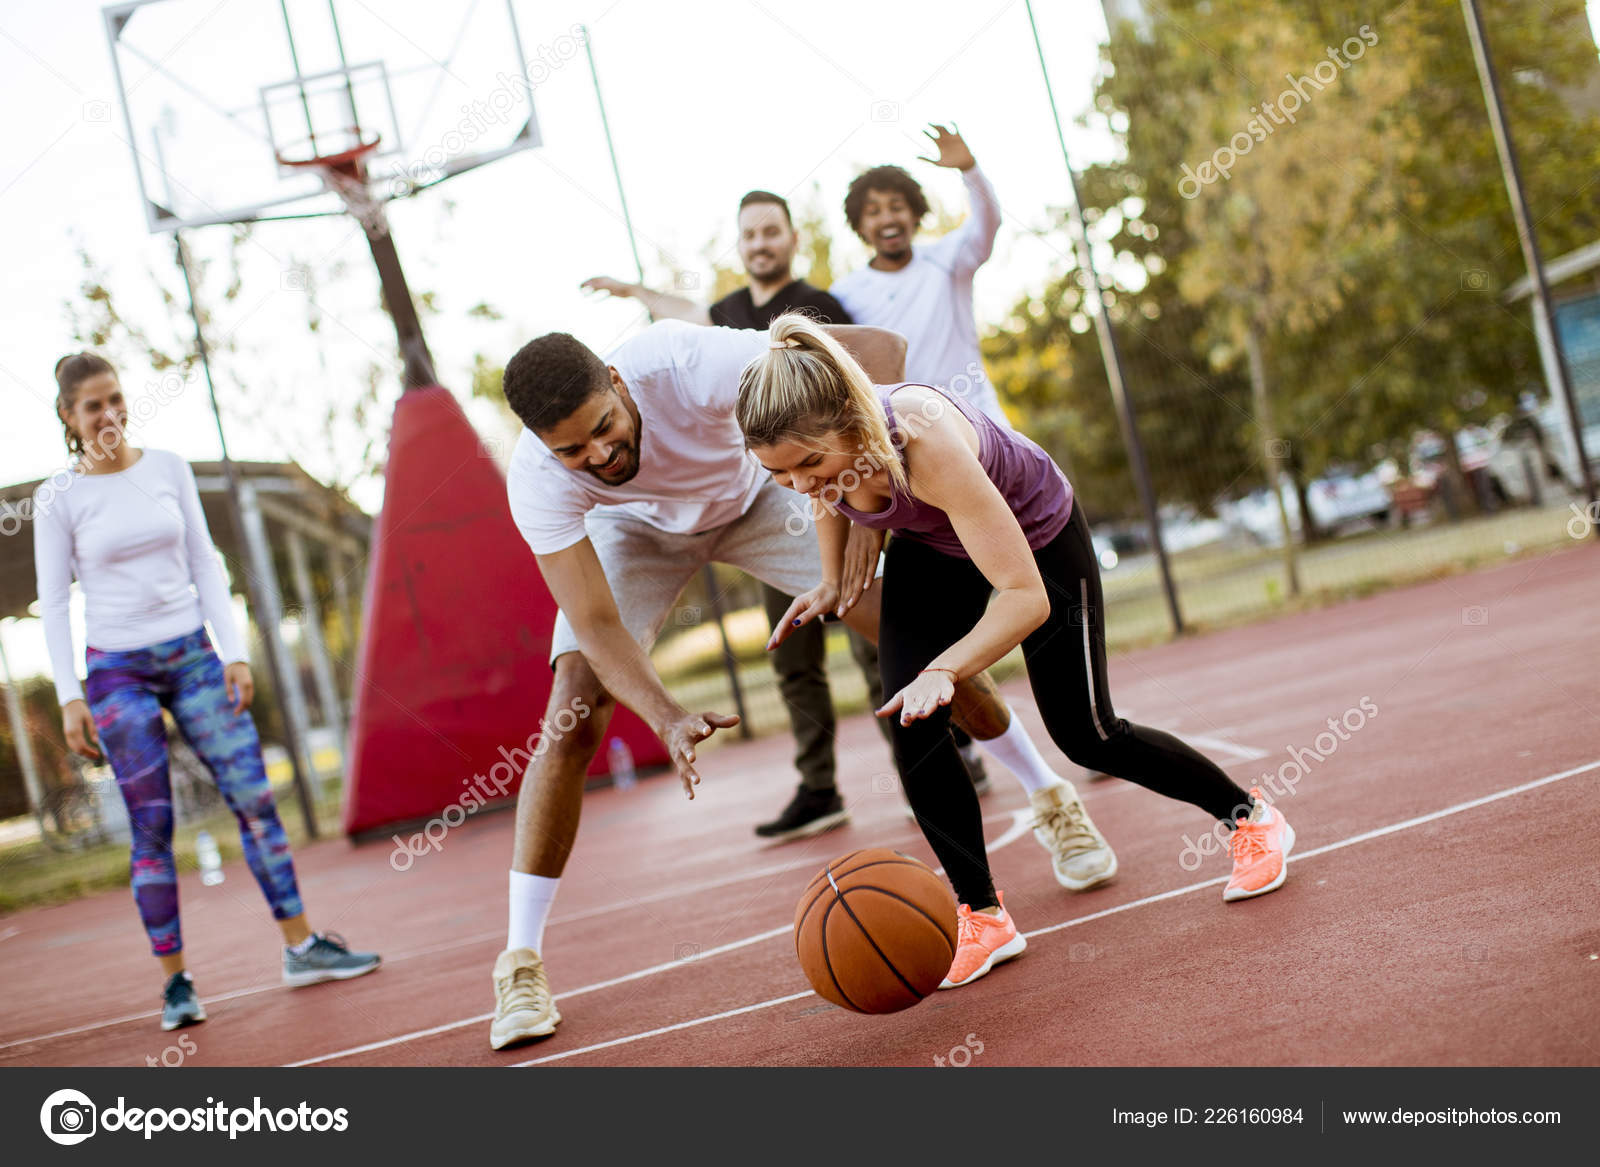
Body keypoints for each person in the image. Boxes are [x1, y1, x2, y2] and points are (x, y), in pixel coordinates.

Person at [489, 319, 1064, 1048]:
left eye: (604, 427)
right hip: (634, 532)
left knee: (907, 638)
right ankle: (520, 962)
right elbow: (598, 625)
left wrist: (863, 514)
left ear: (618, 380)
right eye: (572, 450)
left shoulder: (686, 360)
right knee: (573, 704)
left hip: (764, 494)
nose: (598, 454)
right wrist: (664, 715)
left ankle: (1048, 790)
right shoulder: (538, 481)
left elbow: (878, 354)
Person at [739, 315, 1296, 988]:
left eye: (807, 464)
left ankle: (1251, 818)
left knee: (1087, 735)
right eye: (777, 473)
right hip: (938, 548)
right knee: (906, 719)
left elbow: (1023, 597)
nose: (797, 484)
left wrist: (946, 668)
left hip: (1036, 544)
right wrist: (830, 580)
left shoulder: (922, 441)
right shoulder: (823, 460)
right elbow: (833, 496)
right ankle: (983, 913)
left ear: (852, 425)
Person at [582, 188, 991, 839]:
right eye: (749, 235)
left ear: (792, 239)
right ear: (740, 245)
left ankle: (939, 756)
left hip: (842, 498)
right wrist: (635, 290)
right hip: (774, 506)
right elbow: (683, 312)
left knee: (876, 640)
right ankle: (818, 787)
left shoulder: (823, 307)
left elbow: (874, 378)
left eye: (771, 231)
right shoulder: (725, 314)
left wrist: (863, 509)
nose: (760, 243)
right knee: (792, 658)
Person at [34, 353, 381, 1031]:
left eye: (114, 399)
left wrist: (235, 653)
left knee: (255, 801)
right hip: (116, 670)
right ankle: (177, 984)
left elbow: (205, 563)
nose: (108, 415)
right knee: (152, 827)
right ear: (69, 418)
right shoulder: (61, 497)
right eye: (91, 407)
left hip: (194, 655)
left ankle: (302, 947)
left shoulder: (167, 467)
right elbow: (51, 605)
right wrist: (71, 695)